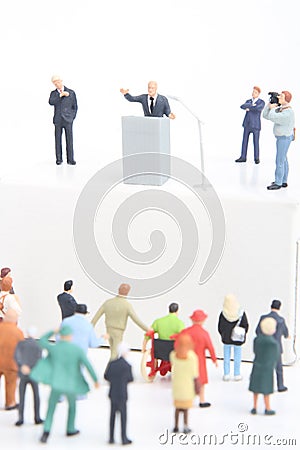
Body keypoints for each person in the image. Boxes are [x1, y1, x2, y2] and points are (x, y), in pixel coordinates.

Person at [30, 325, 99, 444]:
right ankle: (70, 428)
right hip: (71, 385)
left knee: (51, 407)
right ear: (70, 336)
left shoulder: (55, 348)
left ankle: (46, 432)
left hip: (56, 383)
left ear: (60, 336)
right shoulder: (77, 350)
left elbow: (41, 341)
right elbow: (88, 365)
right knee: (72, 406)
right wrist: (95, 380)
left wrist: (52, 330)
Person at [91, 283, 150, 360]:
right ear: (128, 292)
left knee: (113, 351)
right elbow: (136, 320)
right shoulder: (126, 305)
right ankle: (110, 370)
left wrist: (90, 328)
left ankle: (111, 369)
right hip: (118, 331)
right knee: (115, 353)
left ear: (118, 289)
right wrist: (148, 330)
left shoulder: (108, 302)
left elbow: (96, 317)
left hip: (108, 329)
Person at [178, 309, 218, 408]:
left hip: (187, 359)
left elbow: (179, 342)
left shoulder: (186, 332)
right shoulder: (204, 333)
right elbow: (210, 347)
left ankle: (188, 399)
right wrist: (214, 359)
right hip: (199, 360)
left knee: (188, 380)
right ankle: (202, 400)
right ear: (203, 320)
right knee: (201, 380)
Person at [263, 91, 295, 190]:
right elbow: (265, 115)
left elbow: (273, 117)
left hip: (284, 138)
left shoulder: (288, 112)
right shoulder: (282, 109)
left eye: (281, 96)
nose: (278, 97)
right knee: (283, 159)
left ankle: (278, 182)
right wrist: (269, 104)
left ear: (286, 99)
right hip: (281, 137)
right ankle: (283, 180)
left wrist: (272, 108)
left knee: (279, 160)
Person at [255, 299, 289, 392]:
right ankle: (280, 386)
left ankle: (262, 385)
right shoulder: (281, 320)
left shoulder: (263, 318)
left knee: (263, 367)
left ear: (271, 306)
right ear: (279, 308)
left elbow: (257, 331)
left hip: (264, 346)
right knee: (278, 368)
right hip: (276, 347)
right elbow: (285, 333)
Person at [104, 342, 134, 445]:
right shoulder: (127, 366)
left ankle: (111, 437)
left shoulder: (112, 364)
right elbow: (130, 378)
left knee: (112, 416)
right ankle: (123, 437)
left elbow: (106, 376)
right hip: (122, 394)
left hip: (113, 393)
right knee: (123, 417)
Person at [249, 317, 280, 415]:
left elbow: (255, 351)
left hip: (257, 365)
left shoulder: (257, 339)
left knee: (256, 388)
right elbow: (276, 356)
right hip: (267, 368)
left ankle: (254, 407)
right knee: (266, 389)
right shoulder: (273, 343)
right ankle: (267, 408)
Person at [14, 326, 44, 426]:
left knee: (22, 397)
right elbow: (40, 360)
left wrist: (22, 366)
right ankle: (37, 417)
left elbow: (16, 356)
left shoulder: (21, 344)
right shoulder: (38, 345)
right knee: (36, 396)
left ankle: (20, 418)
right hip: (34, 374)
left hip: (23, 374)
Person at [169, 334, 198, 434]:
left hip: (177, 386)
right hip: (187, 387)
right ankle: (185, 426)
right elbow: (195, 374)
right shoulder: (192, 358)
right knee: (185, 409)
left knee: (177, 408)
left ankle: (176, 426)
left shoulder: (173, 356)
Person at [218, 294, 249, 381]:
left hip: (226, 339)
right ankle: (237, 374)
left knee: (226, 357)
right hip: (238, 339)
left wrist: (223, 335)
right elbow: (245, 325)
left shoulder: (223, 313)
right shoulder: (241, 313)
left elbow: (220, 327)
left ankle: (226, 374)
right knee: (237, 357)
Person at [49, 75, 78, 165]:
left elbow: (75, 106)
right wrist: (60, 95)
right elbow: (51, 102)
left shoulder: (71, 92)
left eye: (58, 81)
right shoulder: (54, 94)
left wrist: (72, 117)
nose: (57, 84)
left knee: (69, 139)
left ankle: (70, 159)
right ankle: (59, 159)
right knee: (58, 140)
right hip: (58, 119)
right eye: (54, 82)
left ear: (61, 81)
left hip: (68, 119)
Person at [0, 309, 24, 410]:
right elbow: (22, 349)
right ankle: (10, 403)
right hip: (11, 364)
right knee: (11, 384)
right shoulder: (18, 332)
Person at [235, 86, 265, 164]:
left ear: (258, 94)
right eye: (253, 91)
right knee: (244, 141)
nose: (253, 93)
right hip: (247, 124)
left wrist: (250, 108)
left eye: (255, 92)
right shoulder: (248, 101)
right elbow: (242, 106)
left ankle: (256, 158)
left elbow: (258, 108)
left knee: (256, 142)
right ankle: (243, 157)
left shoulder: (261, 102)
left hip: (255, 125)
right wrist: (252, 106)